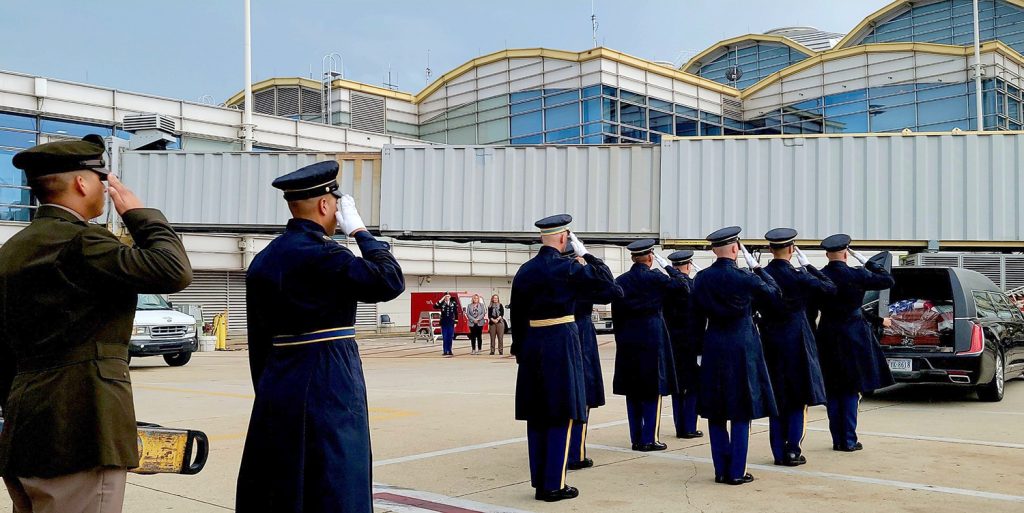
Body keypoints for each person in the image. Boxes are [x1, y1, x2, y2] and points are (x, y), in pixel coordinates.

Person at [0, 134, 192, 513]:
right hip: (82, 428)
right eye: (102, 179)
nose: (106, 190)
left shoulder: (12, 250)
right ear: (82, 183)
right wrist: (140, 214)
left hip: (25, 426)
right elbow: (174, 271)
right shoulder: (83, 242)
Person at [236, 161, 405, 513]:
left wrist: (269, 391)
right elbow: (389, 279)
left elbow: (259, 342)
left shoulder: (264, 260)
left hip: (279, 381)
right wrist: (360, 232)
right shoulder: (327, 255)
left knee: (284, 482)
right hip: (330, 375)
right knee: (337, 475)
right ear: (327, 206)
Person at [510, 215, 615, 502]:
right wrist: (585, 253)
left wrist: (520, 350)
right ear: (564, 238)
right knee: (562, 413)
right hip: (561, 343)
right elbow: (609, 288)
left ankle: (539, 481)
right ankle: (553, 485)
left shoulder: (525, 270)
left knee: (538, 415)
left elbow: (516, 315)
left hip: (532, 344)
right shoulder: (568, 268)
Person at [693, 226, 780, 485]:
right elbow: (774, 294)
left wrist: (698, 349)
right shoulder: (744, 276)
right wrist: (758, 268)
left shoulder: (702, 278)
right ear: (735, 248)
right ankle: (737, 471)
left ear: (713, 250)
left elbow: (694, 317)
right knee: (741, 409)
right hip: (742, 345)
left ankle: (721, 469)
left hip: (714, 344)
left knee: (717, 410)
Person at [759, 228, 836, 466]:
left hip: (770, 340)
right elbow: (829, 288)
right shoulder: (800, 276)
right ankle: (793, 449)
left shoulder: (761, 275)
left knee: (777, 398)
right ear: (792, 249)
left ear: (771, 249)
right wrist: (809, 266)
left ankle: (777, 450)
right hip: (797, 342)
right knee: (797, 398)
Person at [816, 234, 895, 453]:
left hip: (828, 335)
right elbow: (887, 280)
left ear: (826, 254)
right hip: (854, 336)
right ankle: (849, 440)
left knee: (833, 389)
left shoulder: (820, 276)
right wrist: (867, 262)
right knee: (851, 389)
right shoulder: (857, 274)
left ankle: (836, 439)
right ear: (845, 253)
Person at [611, 240, 688, 452]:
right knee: (653, 389)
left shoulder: (622, 280)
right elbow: (684, 285)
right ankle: (649, 438)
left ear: (632, 257)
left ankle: (636, 437)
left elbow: (616, 313)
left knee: (633, 390)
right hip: (652, 335)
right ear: (651, 257)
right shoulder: (656, 278)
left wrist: (620, 338)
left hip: (628, 338)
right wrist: (669, 267)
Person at [562, 245, 623, 470]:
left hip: (555, 334)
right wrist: (590, 258)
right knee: (583, 393)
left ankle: (563, 449)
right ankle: (576, 453)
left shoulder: (551, 277)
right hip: (581, 334)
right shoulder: (583, 281)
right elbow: (613, 289)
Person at [664, 250, 703, 439]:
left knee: (677, 388)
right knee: (693, 387)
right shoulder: (693, 286)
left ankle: (680, 425)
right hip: (691, 342)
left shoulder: (667, 286)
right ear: (688, 265)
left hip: (672, 341)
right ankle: (689, 426)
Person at [433, 292, 460, 356]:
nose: (447, 297)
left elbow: (456, 313)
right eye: (446, 296)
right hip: (444, 322)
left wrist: (456, 321)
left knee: (450, 337)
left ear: (450, 297)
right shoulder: (442, 303)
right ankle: (445, 351)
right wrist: (441, 300)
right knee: (445, 337)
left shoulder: (453, 303)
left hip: (451, 322)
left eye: (448, 296)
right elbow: (435, 306)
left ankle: (450, 350)